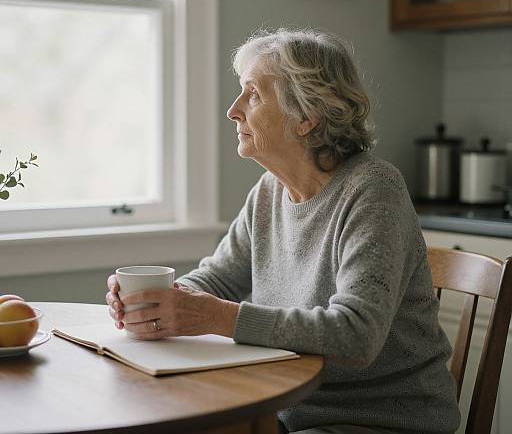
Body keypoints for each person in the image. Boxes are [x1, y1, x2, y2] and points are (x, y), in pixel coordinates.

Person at [106, 28, 460, 434]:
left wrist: (214, 316)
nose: (233, 110)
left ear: (306, 116)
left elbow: (356, 335)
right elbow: (218, 279)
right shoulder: (270, 191)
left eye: (253, 94)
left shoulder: (373, 189)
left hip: (378, 421)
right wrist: (159, 302)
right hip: (287, 408)